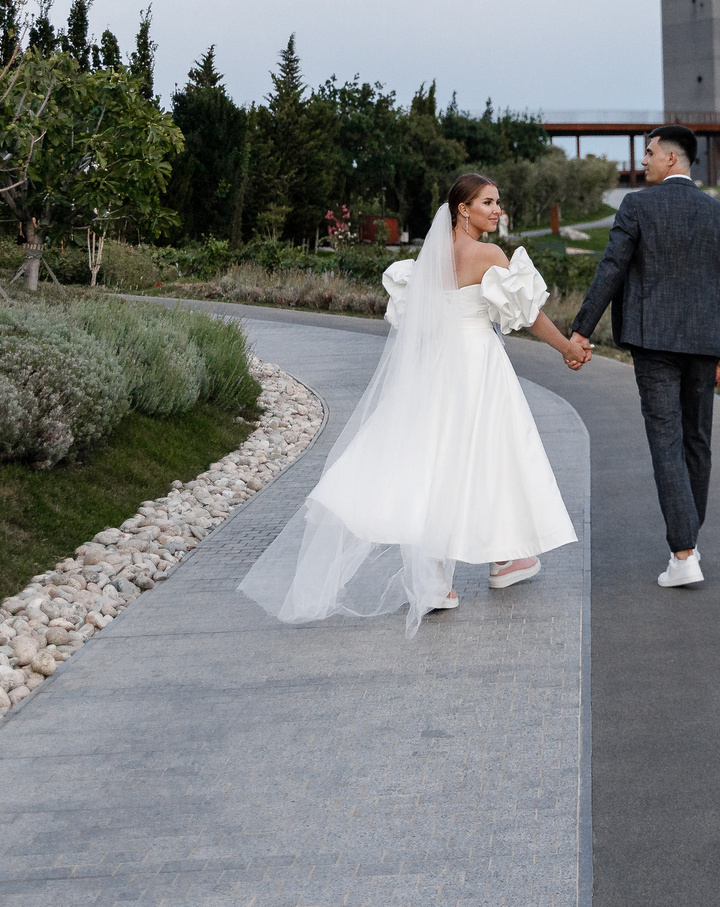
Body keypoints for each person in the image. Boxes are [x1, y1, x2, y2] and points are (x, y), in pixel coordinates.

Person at [239, 173, 589, 632]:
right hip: (478, 364)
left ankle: (444, 578)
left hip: (438, 366)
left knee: (436, 461)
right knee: (489, 457)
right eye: (488, 203)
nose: (496, 210)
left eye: (498, 203)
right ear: (463, 209)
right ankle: (503, 559)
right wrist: (566, 347)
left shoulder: (429, 260)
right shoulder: (490, 255)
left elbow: (419, 325)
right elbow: (528, 314)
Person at [569, 124, 720, 588]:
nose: (642, 160)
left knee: (666, 441)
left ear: (671, 158)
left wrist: (580, 329)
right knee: (696, 441)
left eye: (649, 153)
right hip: (706, 343)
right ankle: (687, 544)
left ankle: (684, 553)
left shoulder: (637, 206)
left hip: (654, 343)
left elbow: (612, 267)